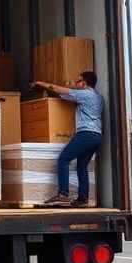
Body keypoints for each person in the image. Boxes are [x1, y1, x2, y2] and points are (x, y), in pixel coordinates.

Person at [31, 71, 103, 207]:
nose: (76, 83)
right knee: (82, 167)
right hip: (96, 136)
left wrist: (41, 83)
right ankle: (82, 199)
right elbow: (67, 95)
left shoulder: (85, 94)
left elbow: (58, 89)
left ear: (85, 83)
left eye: (78, 81)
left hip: (86, 134)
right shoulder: (98, 97)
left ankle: (63, 194)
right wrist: (70, 87)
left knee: (64, 159)